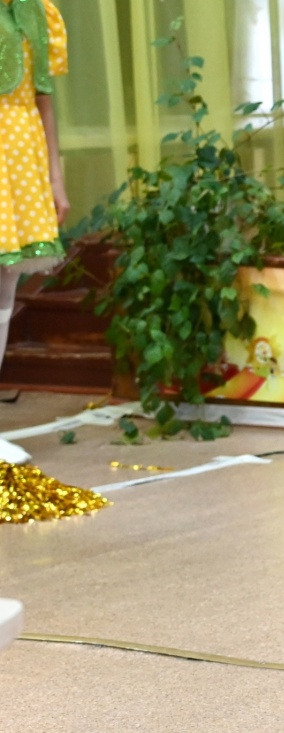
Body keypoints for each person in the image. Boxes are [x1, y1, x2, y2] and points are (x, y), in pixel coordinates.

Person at [0, 0, 69, 465]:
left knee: (6, 282)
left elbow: (43, 97)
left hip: (20, 152)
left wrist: (55, 177)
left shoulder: (36, 11)